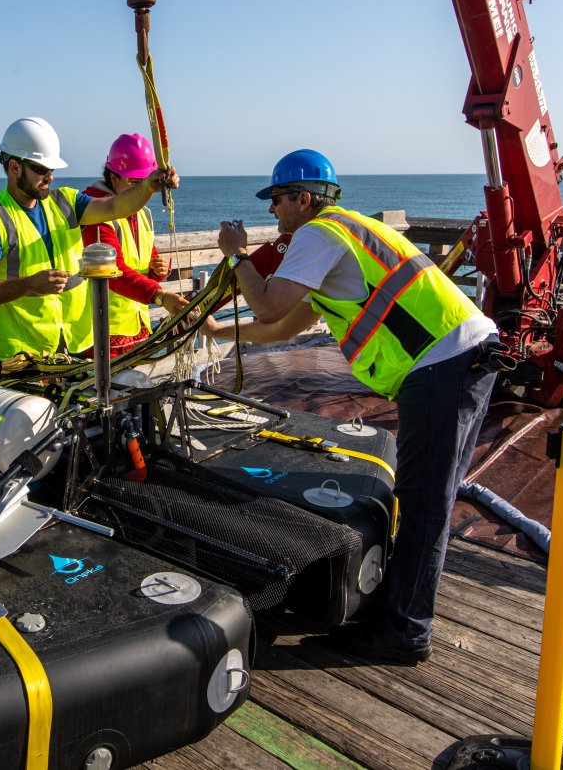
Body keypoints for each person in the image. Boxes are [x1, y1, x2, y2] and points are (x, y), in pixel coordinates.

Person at [202, 149, 501, 664]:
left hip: (441, 364)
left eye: (276, 199)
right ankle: (397, 607)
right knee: (430, 496)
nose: (272, 211)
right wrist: (218, 330)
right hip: (464, 354)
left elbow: (269, 302)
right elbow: (284, 325)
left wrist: (236, 256)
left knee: (423, 502)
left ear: (302, 197)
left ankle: (402, 629)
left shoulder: (319, 234)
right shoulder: (346, 234)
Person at [0, 117, 179, 360]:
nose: (50, 177)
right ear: (15, 167)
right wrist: (29, 284)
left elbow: (115, 207)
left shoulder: (66, 202)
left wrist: (148, 185)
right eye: (42, 170)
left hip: (71, 349)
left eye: (52, 170)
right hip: (19, 357)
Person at [80, 134, 190, 357]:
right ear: (113, 177)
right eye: (134, 183)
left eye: (147, 183)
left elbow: (146, 258)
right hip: (99, 332)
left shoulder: (143, 213)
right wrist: (159, 296)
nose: (143, 190)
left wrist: (157, 270)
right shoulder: (93, 211)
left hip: (135, 326)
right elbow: (113, 272)